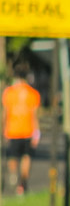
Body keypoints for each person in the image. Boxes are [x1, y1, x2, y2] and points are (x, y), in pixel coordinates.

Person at [2, 64, 41, 195]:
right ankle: (22, 183)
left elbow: (5, 113)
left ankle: (14, 176)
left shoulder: (9, 92)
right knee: (26, 157)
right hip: (28, 130)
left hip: (12, 129)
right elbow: (35, 115)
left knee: (13, 156)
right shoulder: (33, 93)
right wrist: (37, 132)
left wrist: (4, 128)